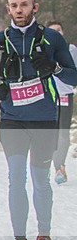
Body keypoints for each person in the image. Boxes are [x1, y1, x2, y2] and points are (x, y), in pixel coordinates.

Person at [0, 0, 77, 240]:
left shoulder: (52, 38)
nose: (20, 10)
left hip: (44, 120)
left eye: (24, 4)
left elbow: (73, 76)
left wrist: (54, 68)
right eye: (14, 5)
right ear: (8, 9)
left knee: (40, 181)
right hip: (12, 119)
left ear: (35, 6)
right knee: (16, 178)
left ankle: (44, 238)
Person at [46, 20, 77, 184]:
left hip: (65, 95)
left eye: (59, 30)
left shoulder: (71, 50)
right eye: (53, 31)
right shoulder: (42, 51)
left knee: (63, 133)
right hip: (48, 97)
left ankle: (60, 167)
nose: (56, 33)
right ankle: (57, 167)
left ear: (63, 32)